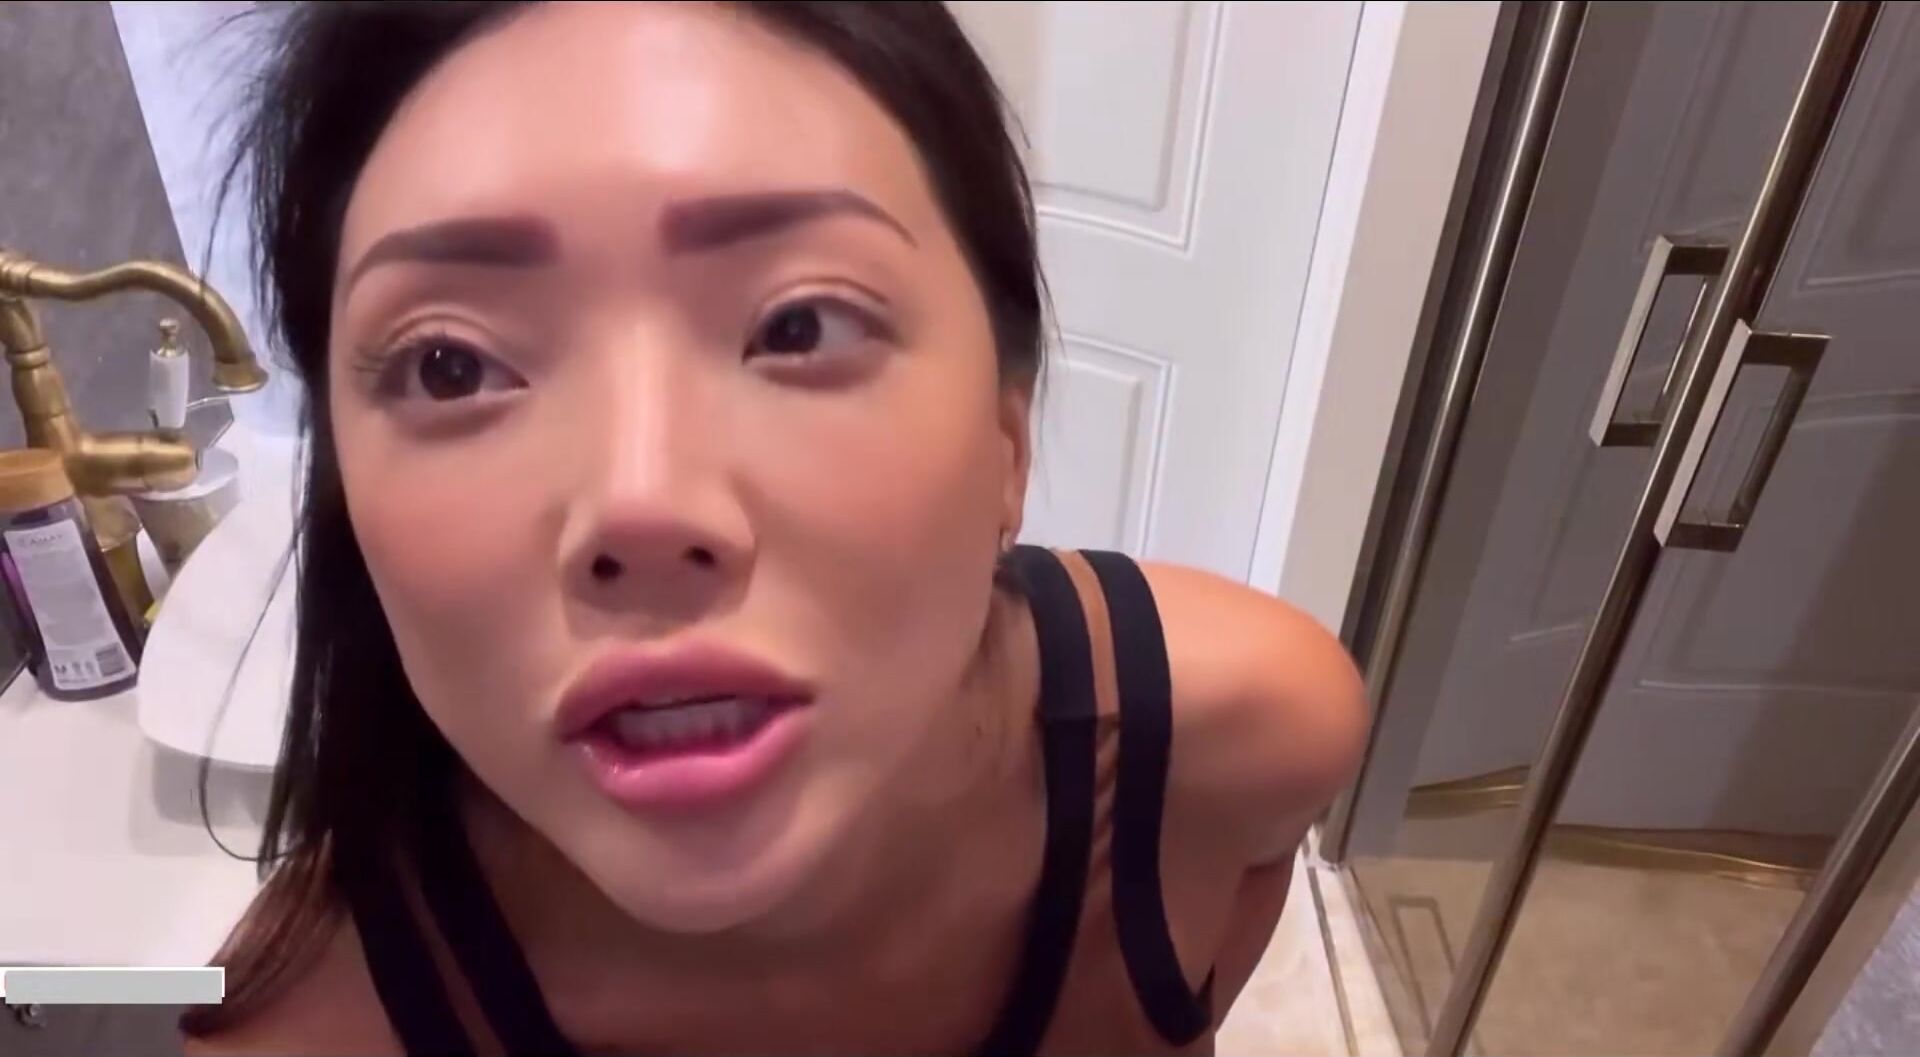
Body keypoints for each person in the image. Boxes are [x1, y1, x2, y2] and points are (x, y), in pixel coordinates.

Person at [181, 3, 1368, 1053]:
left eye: (800, 326)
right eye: (452, 366)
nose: (642, 504)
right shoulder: (309, 1021)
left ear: (1007, 443)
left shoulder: (1236, 746)